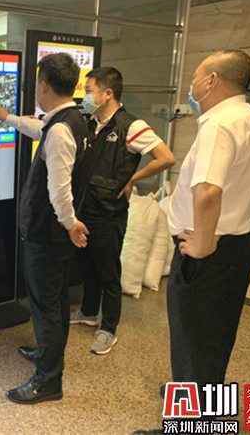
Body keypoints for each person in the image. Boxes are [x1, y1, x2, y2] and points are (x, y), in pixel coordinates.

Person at [135, 50, 250, 435]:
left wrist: (203, 244)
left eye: (195, 79)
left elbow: (207, 191)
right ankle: (202, 402)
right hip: (238, 246)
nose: (191, 87)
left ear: (213, 81)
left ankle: (191, 426)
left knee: (192, 342)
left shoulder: (219, 124)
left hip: (209, 250)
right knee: (214, 339)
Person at [0, 52, 92, 405]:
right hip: (56, 234)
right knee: (56, 299)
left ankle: (48, 380)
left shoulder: (62, 129)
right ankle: (48, 355)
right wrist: (8, 119)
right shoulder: (71, 120)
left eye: (37, 82)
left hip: (47, 233)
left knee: (45, 304)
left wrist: (70, 223)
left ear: (44, 86)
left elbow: (58, 190)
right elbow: (40, 129)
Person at [71, 67, 175, 355]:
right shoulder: (91, 122)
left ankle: (108, 329)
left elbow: (166, 158)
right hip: (84, 209)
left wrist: (132, 178)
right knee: (87, 267)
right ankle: (89, 313)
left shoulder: (131, 126)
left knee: (108, 273)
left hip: (109, 212)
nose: (85, 96)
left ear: (107, 94)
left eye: (89, 91)